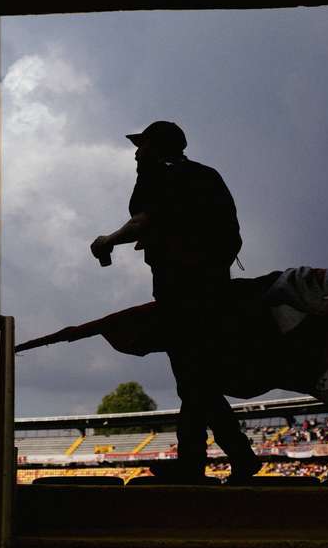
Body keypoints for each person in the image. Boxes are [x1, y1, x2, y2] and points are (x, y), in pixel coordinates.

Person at [90, 120, 260, 484]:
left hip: (183, 292)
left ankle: (202, 462)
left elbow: (143, 221)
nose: (136, 153)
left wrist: (108, 240)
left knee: (193, 377)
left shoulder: (160, 177)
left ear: (156, 147)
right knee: (198, 380)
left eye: (141, 146)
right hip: (214, 290)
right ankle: (231, 457)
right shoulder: (206, 176)